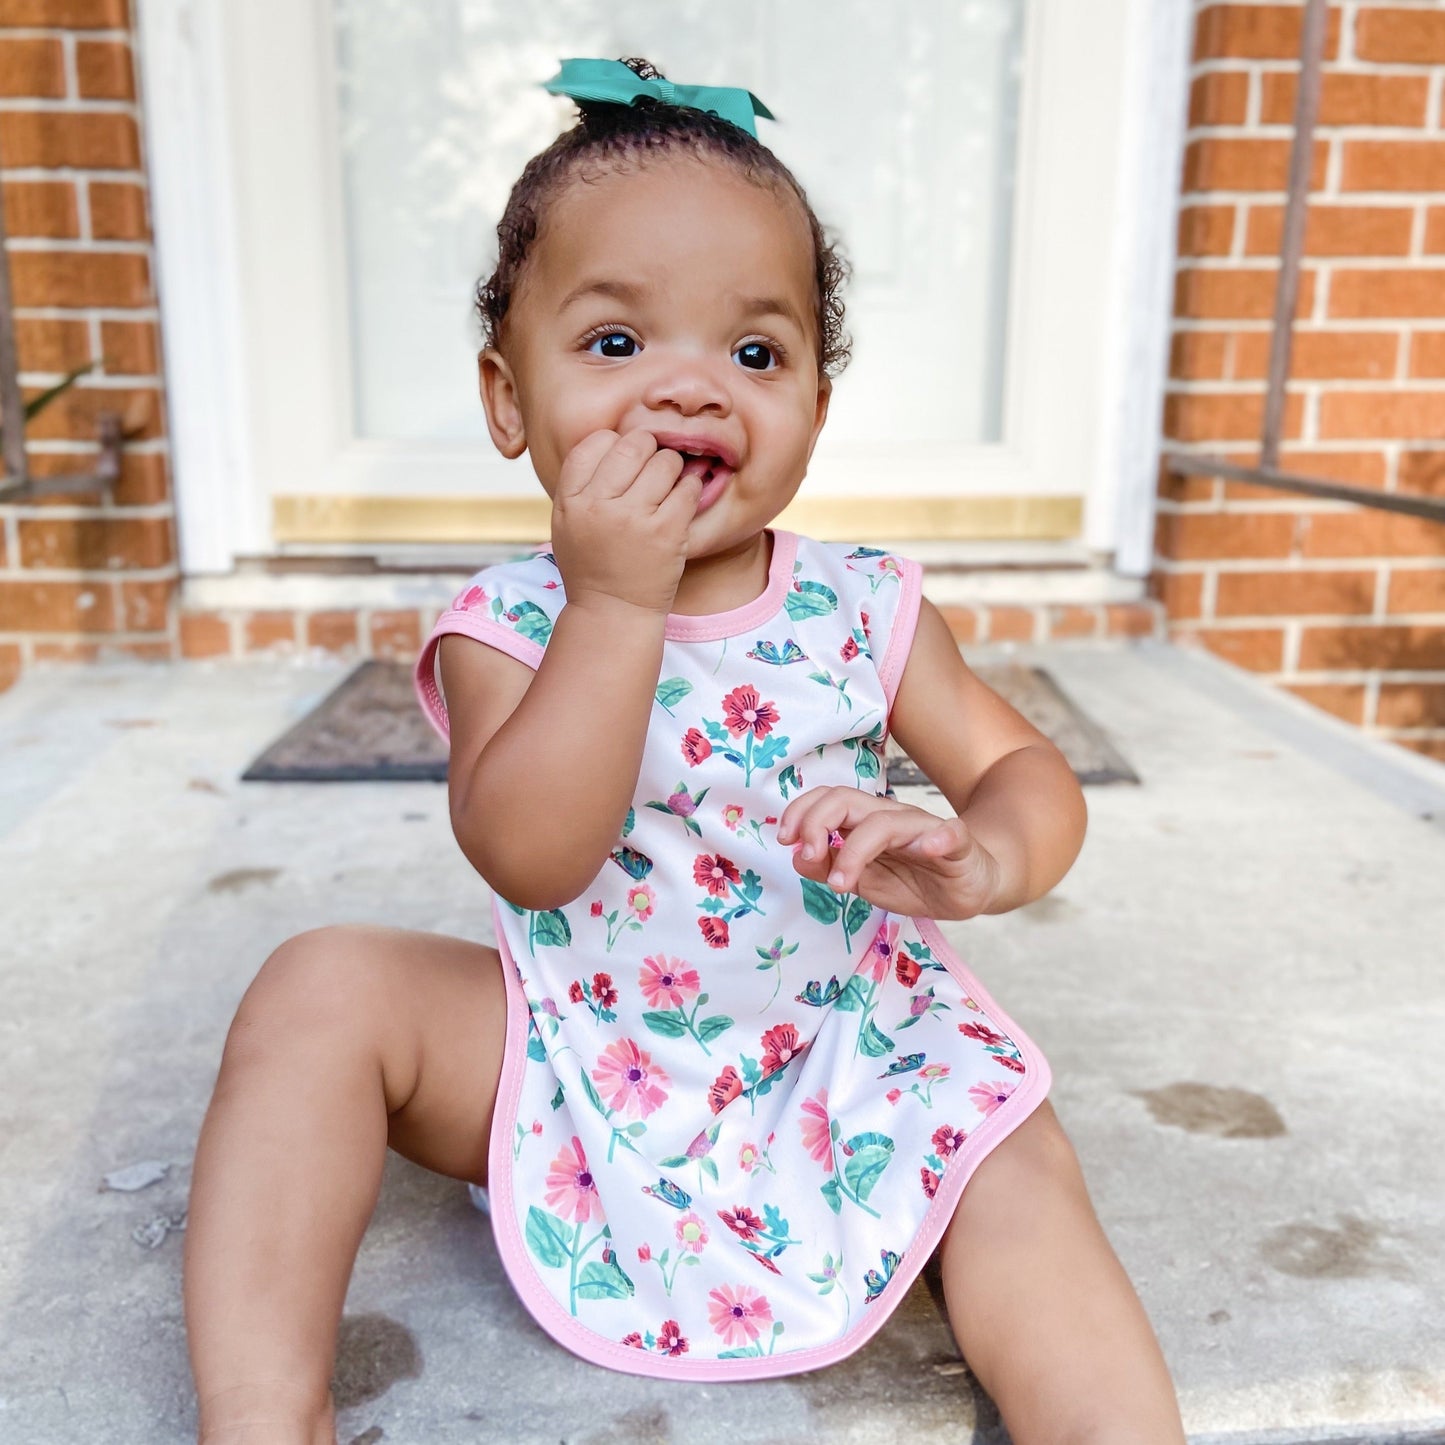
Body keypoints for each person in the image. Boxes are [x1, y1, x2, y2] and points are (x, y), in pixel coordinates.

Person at [184, 56, 1186, 1445]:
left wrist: (986, 850)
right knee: (318, 991)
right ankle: (259, 1415)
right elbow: (533, 854)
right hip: (578, 1048)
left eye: (754, 352)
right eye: (613, 345)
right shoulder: (513, 623)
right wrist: (614, 601)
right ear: (506, 399)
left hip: (841, 1042)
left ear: (815, 412)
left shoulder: (865, 604)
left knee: (1012, 1146)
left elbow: (1022, 773)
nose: (690, 391)